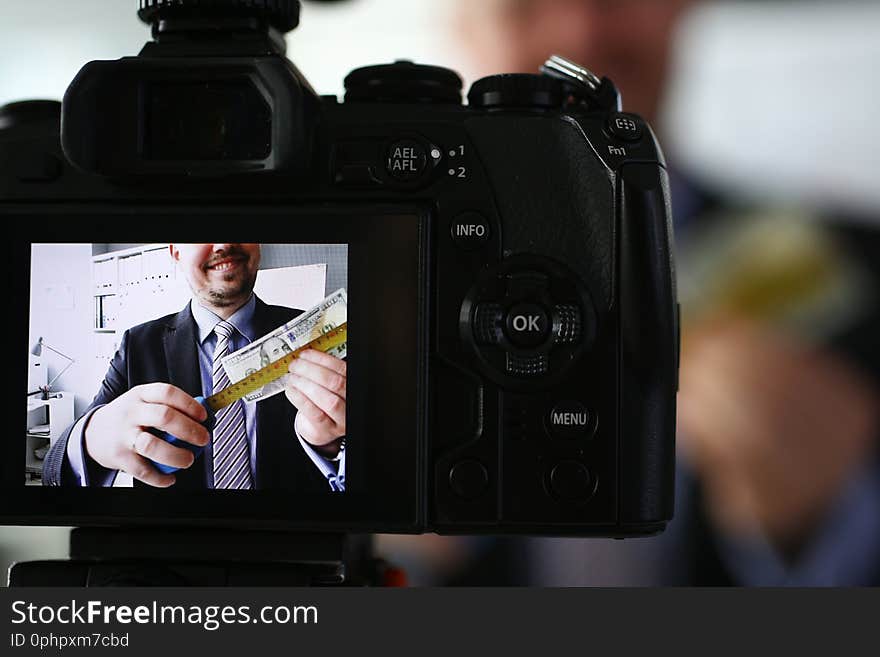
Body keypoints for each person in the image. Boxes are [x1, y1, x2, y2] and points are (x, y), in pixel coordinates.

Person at [415, 0, 880, 586]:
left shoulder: (857, 264)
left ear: (680, 8)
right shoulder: (378, 278)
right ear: (462, 29)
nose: (578, 32)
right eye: (522, 7)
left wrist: (827, 527)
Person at [43, 243, 347, 491]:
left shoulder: (319, 335)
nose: (225, 243)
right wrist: (90, 438)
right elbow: (53, 471)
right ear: (176, 252)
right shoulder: (138, 343)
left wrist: (333, 450)